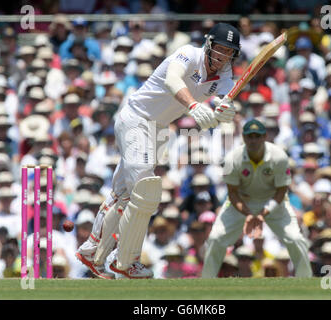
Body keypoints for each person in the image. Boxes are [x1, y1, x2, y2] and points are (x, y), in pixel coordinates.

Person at [75, 23, 240, 279]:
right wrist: (194, 105)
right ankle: (125, 261)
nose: (221, 57)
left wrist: (226, 112)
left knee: (124, 193)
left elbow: (224, 102)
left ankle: (91, 249)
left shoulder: (226, 73)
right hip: (136, 119)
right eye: (219, 49)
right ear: (208, 45)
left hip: (158, 130)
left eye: (228, 53)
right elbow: (172, 78)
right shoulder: (188, 53)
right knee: (145, 191)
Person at [202, 118, 312, 278]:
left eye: (257, 136)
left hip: (273, 201)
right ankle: (206, 283)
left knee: (295, 239)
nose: (253, 140)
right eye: (250, 136)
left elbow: (282, 191)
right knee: (216, 238)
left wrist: (263, 213)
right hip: (241, 201)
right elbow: (232, 192)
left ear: (264, 136)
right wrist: (248, 214)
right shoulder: (232, 158)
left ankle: (306, 282)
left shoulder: (279, 156)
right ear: (244, 137)